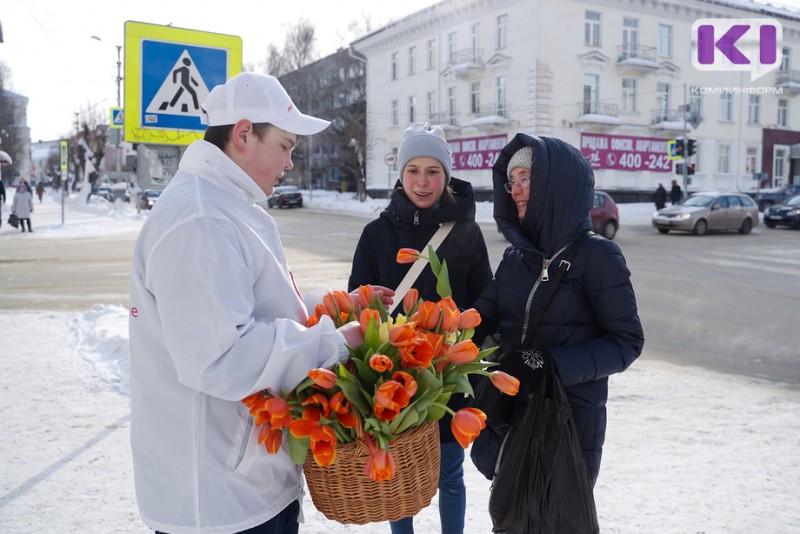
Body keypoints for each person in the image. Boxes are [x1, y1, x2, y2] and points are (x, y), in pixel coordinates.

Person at [128, 72, 392, 534]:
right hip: (215, 498)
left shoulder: (227, 205)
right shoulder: (200, 219)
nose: (290, 162)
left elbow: (261, 307)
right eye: (286, 146)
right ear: (244, 133)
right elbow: (219, 357)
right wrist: (332, 344)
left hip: (246, 477)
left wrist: (332, 308)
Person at [473, 133, 644, 491]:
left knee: (555, 520)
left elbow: (625, 343)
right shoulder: (515, 257)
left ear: (556, 187)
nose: (515, 190)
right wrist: (440, 333)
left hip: (567, 421)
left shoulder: (598, 256)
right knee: (508, 517)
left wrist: (548, 363)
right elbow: (480, 317)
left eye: (526, 180)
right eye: (511, 182)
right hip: (511, 415)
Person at [348, 122, 493, 534]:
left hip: (447, 377)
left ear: (446, 176)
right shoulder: (375, 235)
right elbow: (356, 303)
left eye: (433, 171)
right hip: (394, 377)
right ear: (400, 173)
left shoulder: (465, 232)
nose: (423, 182)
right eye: (414, 170)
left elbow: (486, 299)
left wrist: (462, 341)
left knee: (450, 474)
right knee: (398, 477)